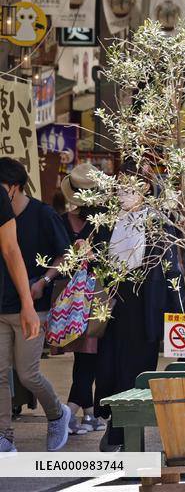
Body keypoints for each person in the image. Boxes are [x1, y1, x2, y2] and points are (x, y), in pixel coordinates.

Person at [95, 162, 183, 452]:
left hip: (145, 301)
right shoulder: (108, 220)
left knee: (136, 368)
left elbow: (172, 269)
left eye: (129, 185)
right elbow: (97, 257)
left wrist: (177, 314)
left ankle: (123, 431)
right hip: (112, 302)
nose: (123, 191)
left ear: (145, 187)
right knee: (109, 365)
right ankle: (114, 421)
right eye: (120, 185)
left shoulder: (158, 221)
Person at [0, 158, 71, 452]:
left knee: (28, 373)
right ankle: (4, 436)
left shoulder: (42, 214)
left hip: (32, 305)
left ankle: (57, 414)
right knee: (0, 374)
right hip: (1, 307)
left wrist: (43, 280)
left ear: (14, 188)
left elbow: (65, 254)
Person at [57, 163, 108, 435]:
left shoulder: (63, 222)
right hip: (95, 298)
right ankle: (68, 413)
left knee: (83, 358)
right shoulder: (104, 225)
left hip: (69, 301)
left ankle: (87, 416)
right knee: (90, 359)